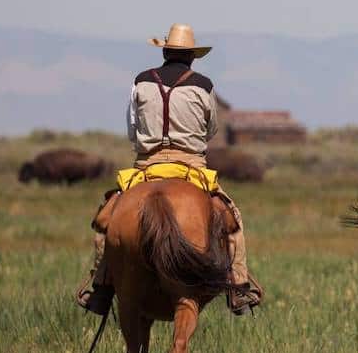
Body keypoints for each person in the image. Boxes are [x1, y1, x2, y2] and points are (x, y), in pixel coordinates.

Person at [74, 23, 264, 316]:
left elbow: (132, 128)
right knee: (233, 221)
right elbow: (211, 129)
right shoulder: (204, 85)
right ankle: (238, 286)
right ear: (192, 57)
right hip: (191, 166)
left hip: (146, 166)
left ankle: (101, 287)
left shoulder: (141, 81)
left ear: (164, 51)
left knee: (107, 220)